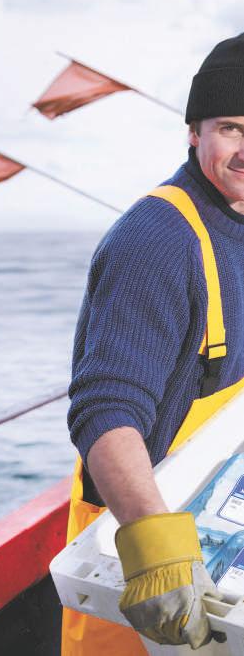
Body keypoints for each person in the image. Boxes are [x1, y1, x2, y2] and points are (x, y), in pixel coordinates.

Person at [62, 32, 244, 654]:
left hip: (218, 497)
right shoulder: (157, 242)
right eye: (231, 128)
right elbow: (105, 406)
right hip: (135, 544)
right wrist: (154, 550)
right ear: (194, 132)